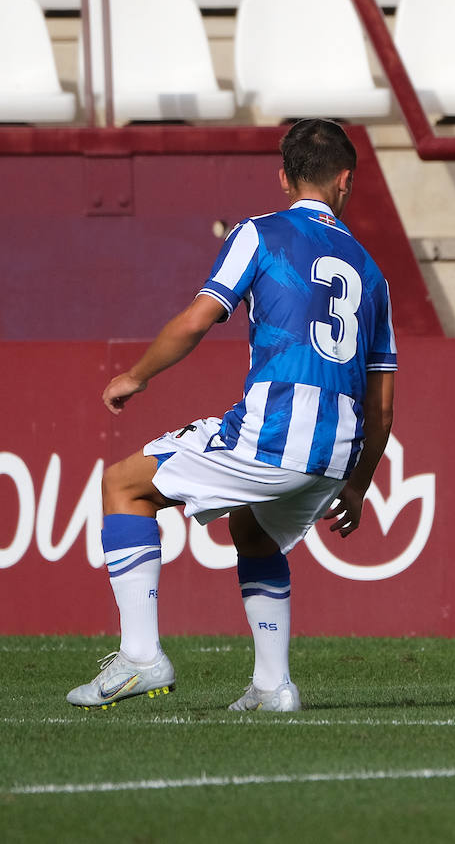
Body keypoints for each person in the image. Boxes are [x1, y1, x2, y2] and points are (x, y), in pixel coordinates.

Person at [67, 119, 397, 713]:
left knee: (122, 485)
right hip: (337, 452)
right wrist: (362, 478)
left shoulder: (261, 232)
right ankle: (274, 686)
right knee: (251, 528)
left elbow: (198, 319)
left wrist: (136, 375)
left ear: (284, 179)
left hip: (273, 435)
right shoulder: (373, 273)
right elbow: (383, 402)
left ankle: (141, 655)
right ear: (347, 181)